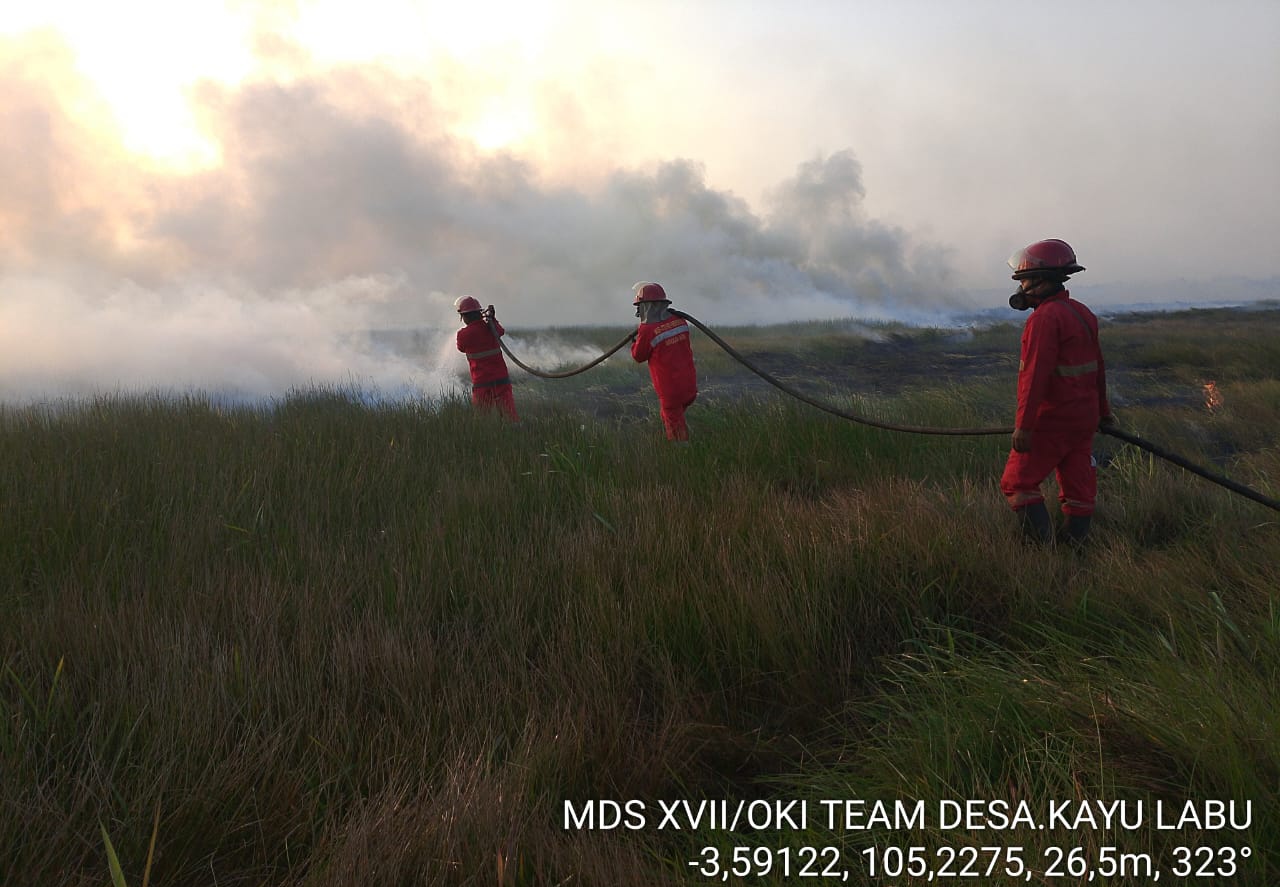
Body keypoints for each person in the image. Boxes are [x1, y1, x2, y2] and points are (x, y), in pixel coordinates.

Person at [1000, 239, 1114, 546]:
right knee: (1079, 489)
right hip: (1084, 419)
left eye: (1023, 280)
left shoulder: (1044, 319)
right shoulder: (1081, 313)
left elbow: (1034, 377)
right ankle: (1075, 552)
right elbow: (1098, 368)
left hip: (1052, 420)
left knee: (1017, 482)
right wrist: (1104, 413)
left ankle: (1042, 554)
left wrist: (1025, 427)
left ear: (1040, 280)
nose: (1021, 287)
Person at [630, 282, 698, 442]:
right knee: (671, 416)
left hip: (670, 390)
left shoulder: (647, 331)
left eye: (639, 307)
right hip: (689, 384)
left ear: (647, 306)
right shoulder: (680, 321)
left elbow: (638, 356)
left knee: (676, 431)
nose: (638, 312)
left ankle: (681, 457)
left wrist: (636, 341)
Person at [454, 295, 518, 422]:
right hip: (501, 380)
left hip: (481, 382)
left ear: (464, 316)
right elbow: (500, 331)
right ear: (479, 313)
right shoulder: (491, 328)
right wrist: (492, 319)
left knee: (482, 420)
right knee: (509, 416)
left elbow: (460, 348)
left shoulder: (463, 334)